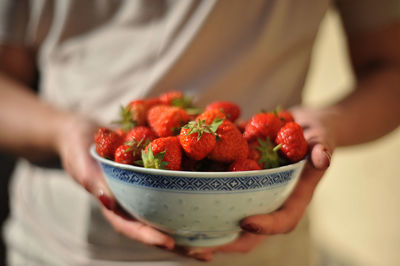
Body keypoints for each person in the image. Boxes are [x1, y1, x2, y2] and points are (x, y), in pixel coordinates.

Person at [0, 0, 399, 265]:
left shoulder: (230, 138)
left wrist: (326, 123)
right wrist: (64, 131)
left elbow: (390, 66)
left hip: (264, 249)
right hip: (59, 248)